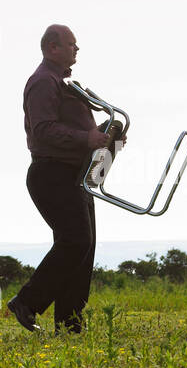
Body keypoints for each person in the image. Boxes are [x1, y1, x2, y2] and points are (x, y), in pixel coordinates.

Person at [7, 24, 115, 334]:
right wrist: (87, 138)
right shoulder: (43, 82)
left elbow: (78, 130)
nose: (76, 48)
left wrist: (107, 136)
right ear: (52, 48)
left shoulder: (65, 82)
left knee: (84, 246)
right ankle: (27, 301)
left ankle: (70, 325)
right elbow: (43, 130)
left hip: (75, 174)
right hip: (52, 172)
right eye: (71, 44)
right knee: (75, 240)